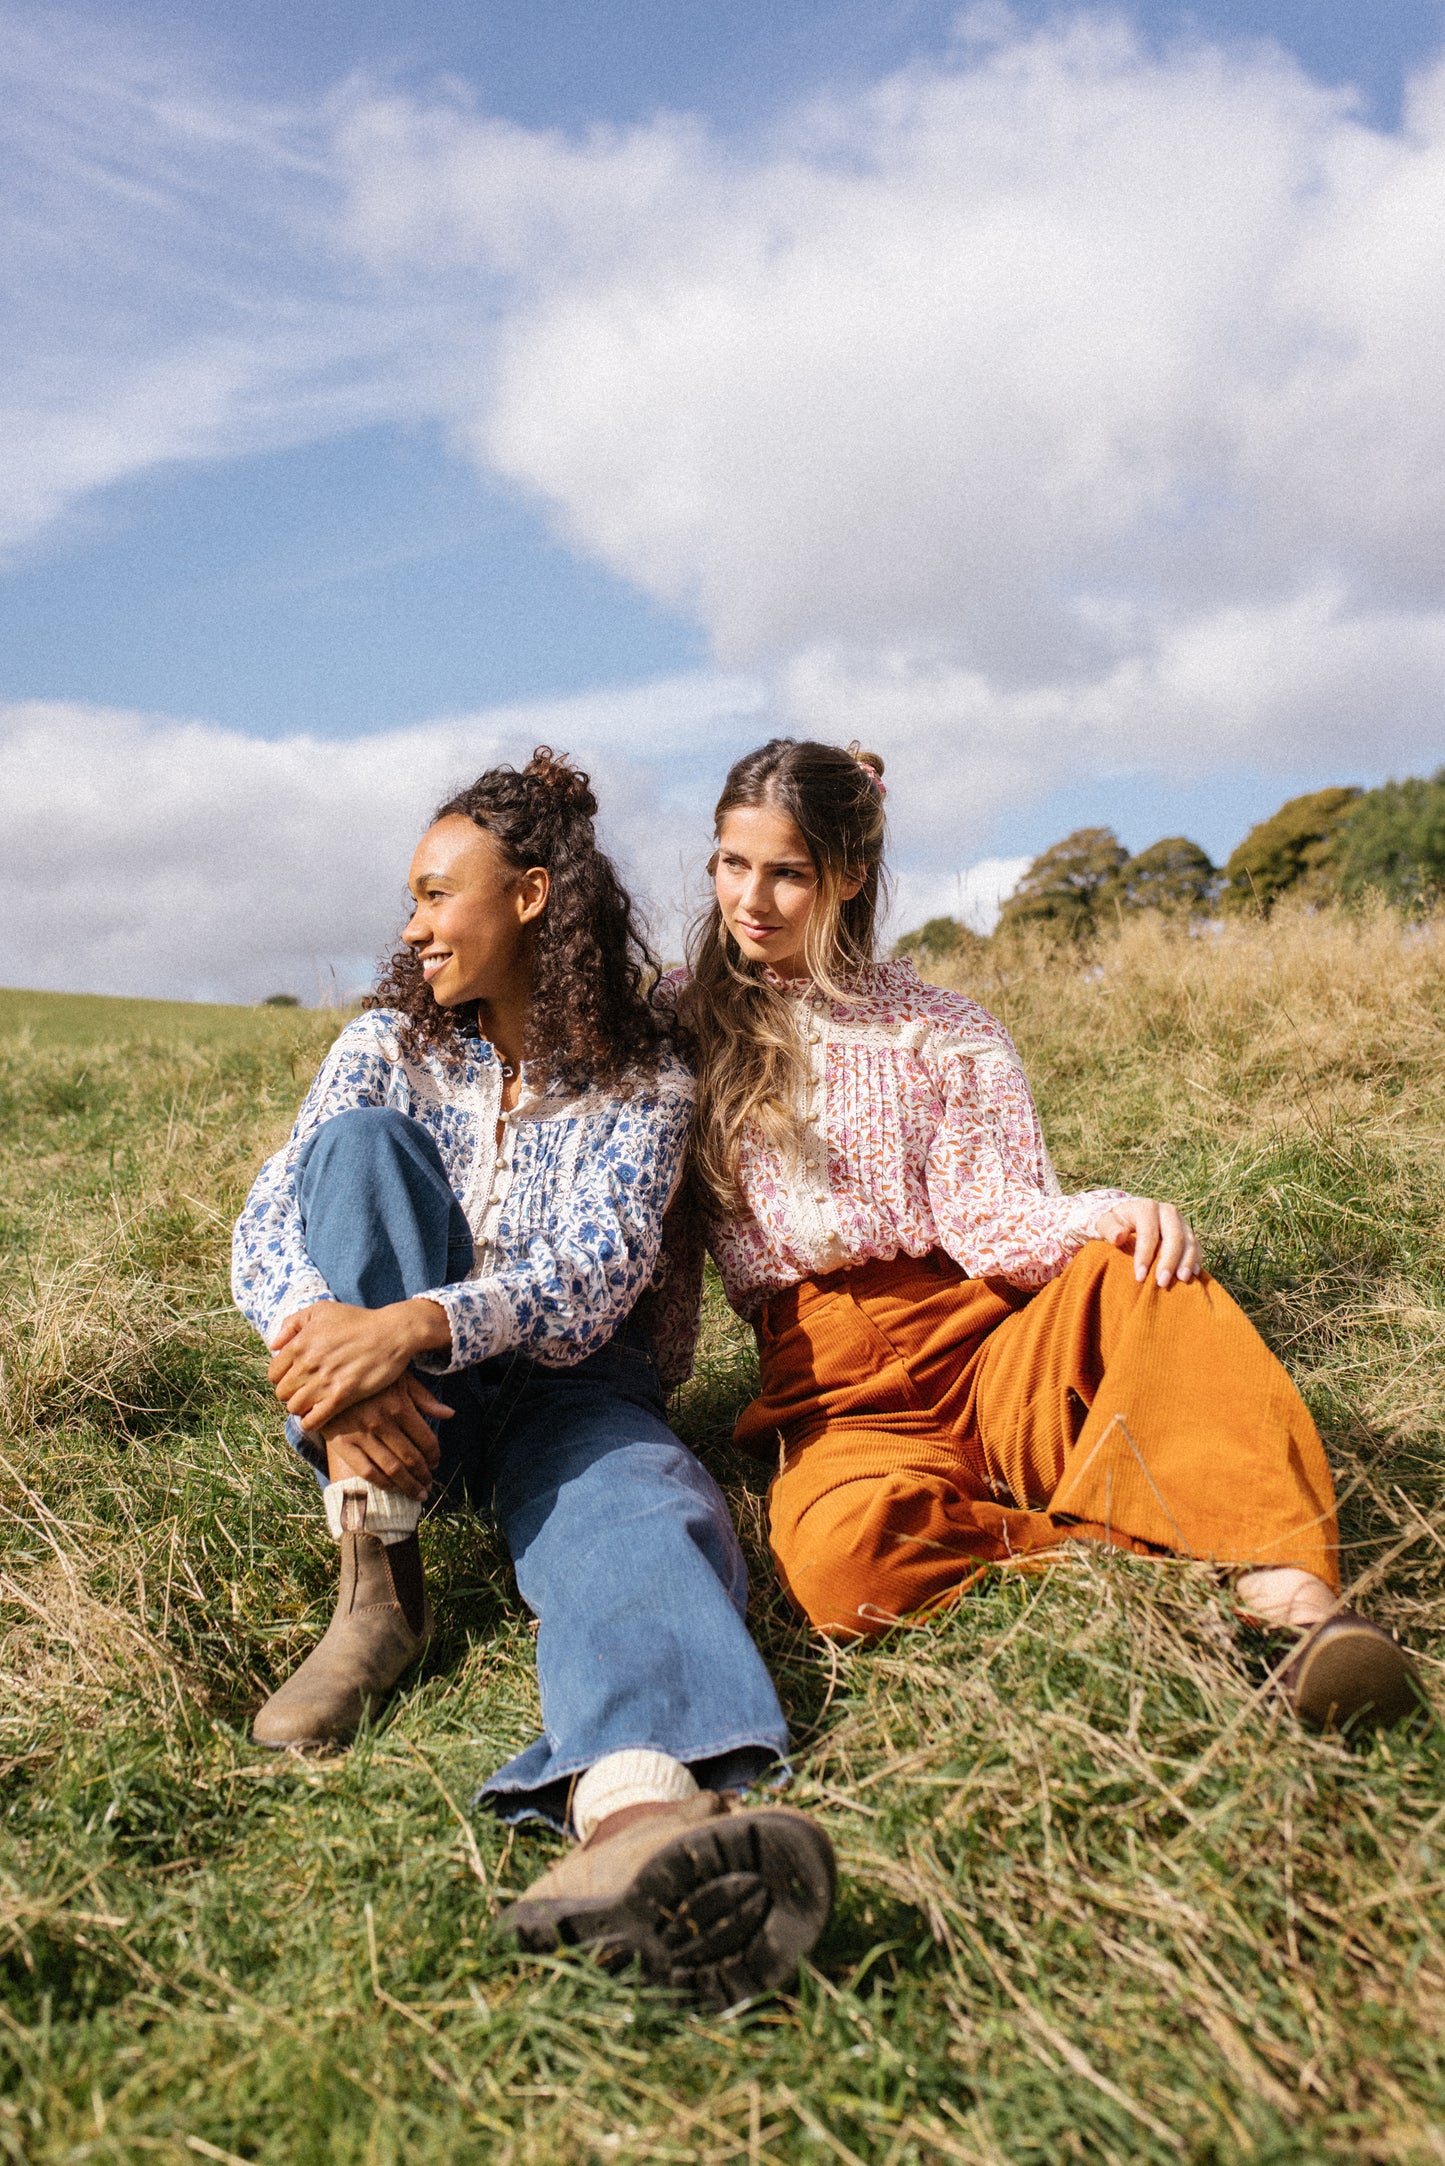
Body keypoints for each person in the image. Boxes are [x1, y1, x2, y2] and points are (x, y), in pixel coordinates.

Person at [231, 749, 834, 2007]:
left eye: (437, 893)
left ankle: (634, 1819)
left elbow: (600, 1268)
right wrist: (343, 1348)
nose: (411, 924)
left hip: (570, 1379)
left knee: (636, 1507)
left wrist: (411, 1329)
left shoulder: (645, 1063)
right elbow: (268, 1222)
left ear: (531, 897)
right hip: (403, 1409)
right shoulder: (386, 1043)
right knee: (357, 1152)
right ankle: (378, 1584)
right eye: (411, 896)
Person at [665, 736, 1420, 1732]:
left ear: (849, 876)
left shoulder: (943, 1026)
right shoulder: (677, 1027)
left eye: (786, 874)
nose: (750, 900)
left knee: (1150, 1275)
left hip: (985, 1340)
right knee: (842, 1566)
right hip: (835, 1393)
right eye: (732, 864)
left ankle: (1296, 1606)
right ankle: (1128, 1537)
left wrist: (1106, 1215)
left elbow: (992, 1215)